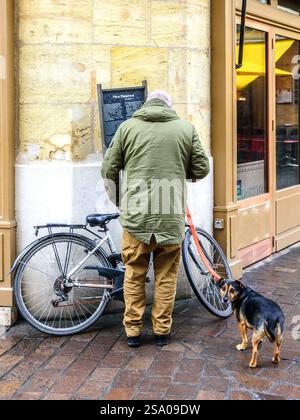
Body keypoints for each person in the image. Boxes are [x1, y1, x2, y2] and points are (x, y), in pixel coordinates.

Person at [101, 91, 210, 347]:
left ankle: (133, 332)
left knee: (133, 274)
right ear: (169, 107)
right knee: (166, 276)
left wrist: (120, 200)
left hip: (135, 217)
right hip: (170, 216)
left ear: (146, 104)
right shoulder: (185, 129)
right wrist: (182, 173)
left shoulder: (126, 127)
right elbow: (202, 168)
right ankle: (162, 331)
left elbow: (108, 168)